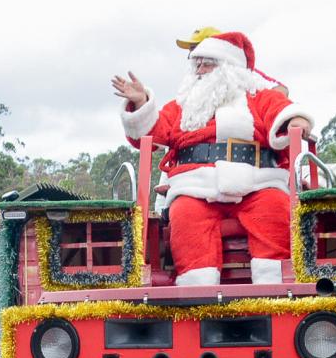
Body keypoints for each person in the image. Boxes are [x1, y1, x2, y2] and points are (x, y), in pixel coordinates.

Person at [112, 31, 312, 285]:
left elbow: (283, 111)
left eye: (208, 63)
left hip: (258, 181)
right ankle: (197, 292)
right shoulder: (183, 105)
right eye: (198, 64)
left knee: (274, 209)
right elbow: (154, 130)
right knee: (185, 215)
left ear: (229, 67)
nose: (201, 70)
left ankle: (274, 286)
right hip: (195, 184)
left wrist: (296, 119)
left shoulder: (260, 96)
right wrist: (141, 104)